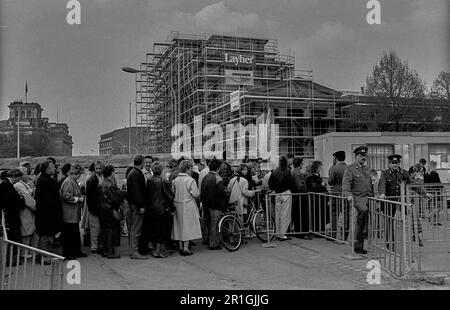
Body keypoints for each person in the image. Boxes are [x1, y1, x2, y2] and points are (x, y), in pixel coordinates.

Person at [342, 146, 372, 254]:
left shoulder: (366, 169)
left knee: (370, 221)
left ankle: (364, 242)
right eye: (361, 156)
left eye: (365, 156)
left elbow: (370, 184)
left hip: (369, 197)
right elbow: (346, 185)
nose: (363, 158)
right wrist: (348, 195)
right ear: (356, 156)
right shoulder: (350, 169)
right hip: (358, 198)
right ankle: (357, 245)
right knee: (362, 214)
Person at [143, 162, 174, 258]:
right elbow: (169, 195)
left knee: (156, 230)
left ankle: (158, 250)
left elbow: (148, 195)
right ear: (161, 170)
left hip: (152, 208)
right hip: (162, 208)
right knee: (162, 230)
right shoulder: (164, 180)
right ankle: (159, 251)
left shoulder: (149, 180)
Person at [172, 160, 202, 255]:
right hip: (187, 204)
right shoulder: (190, 180)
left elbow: (173, 192)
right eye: (191, 168)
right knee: (187, 227)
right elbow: (196, 194)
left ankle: (181, 247)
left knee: (179, 226)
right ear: (188, 168)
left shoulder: (175, 180)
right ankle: (185, 248)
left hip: (177, 204)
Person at [35, 160, 62, 259]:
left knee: (47, 235)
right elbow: (48, 200)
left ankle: (43, 255)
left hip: (47, 213)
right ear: (47, 169)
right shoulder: (44, 181)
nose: (55, 168)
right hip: (47, 215)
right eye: (52, 167)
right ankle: (46, 257)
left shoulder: (46, 179)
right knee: (46, 237)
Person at [60, 164, 87, 260]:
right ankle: (69, 253)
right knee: (69, 235)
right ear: (77, 174)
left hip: (72, 214)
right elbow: (67, 197)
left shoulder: (71, 181)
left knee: (74, 234)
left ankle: (75, 251)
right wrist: (79, 199)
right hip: (69, 213)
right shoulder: (69, 182)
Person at [98, 165, 123, 258]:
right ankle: (111, 252)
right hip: (111, 209)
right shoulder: (111, 184)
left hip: (103, 209)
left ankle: (104, 250)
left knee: (105, 230)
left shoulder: (101, 183)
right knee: (112, 231)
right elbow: (116, 198)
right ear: (111, 173)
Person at [268, 156, 295, 241]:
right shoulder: (287, 172)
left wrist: (275, 189)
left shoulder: (275, 171)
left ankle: (277, 233)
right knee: (285, 215)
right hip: (286, 193)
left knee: (278, 214)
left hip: (277, 194)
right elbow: (291, 183)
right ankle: (283, 234)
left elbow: (270, 183)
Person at [126, 155, 148, 259]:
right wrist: (141, 205)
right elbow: (137, 192)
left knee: (134, 228)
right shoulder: (136, 174)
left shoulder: (132, 172)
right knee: (135, 229)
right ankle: (134, 252)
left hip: (133, 204)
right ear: (142, 162)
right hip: (136, 205)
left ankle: (133, 251)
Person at [14, 166, 38, 252]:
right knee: (26, 233)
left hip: (28, 212)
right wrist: (35, 206)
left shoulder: (22, 184)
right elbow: (28, 198)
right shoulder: (19, 185)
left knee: (29, 231)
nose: (27, 175)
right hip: (25, 212)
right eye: (26, 173)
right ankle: (24, 253)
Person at [0, 168, 25, 244]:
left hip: (9, 216)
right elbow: (15, 201)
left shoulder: (6, 184)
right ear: (15, 177)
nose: (19, 180)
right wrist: (21, 198)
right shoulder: (6, 185)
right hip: (11, 217)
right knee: (14, 238)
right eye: (19, 177)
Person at [328, 151, 349, 240]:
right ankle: (345, 234)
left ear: (336, 158)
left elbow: (330, 181)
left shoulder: (334, 168)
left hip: (336, 192)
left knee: (334, 213)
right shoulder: (349, 168)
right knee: (346, 213)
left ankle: (333, 234)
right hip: (346, 193)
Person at [85, 161, 104, 254]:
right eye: (97, 168)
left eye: (100, 168)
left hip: (101, 207)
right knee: (94, 228)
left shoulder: (103, 178)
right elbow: (89, 195)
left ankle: (99, 245)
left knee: (100, 228)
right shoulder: (91, 179)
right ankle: (94, 246)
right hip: (94, 207)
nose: (98, 170)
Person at [291, 157, 311, 239]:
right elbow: (301, 186)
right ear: (300, 164)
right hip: (300, 197)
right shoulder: (298, 174)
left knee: (296, 215)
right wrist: (305, 192)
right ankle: (302, 233)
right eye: (302, 163)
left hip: (295, 196)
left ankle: (298, 231)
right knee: (302, 215)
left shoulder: (293, 172)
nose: (303, 164)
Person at [306, 161, 328, 234]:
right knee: (317, 216)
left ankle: (320, 230)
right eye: (320, 167)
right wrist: (322, 185)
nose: (321, 168)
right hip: (316, 200)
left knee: (321, 216)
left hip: (320, 199)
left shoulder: (317, 176)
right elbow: (314, 188)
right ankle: (318, 230)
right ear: (317, 168)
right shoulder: (311, 177)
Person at [424, 161, 443, 226]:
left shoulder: (426, 174)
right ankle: (431, 217)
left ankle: (432, 220)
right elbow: (439, 183)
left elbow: (425, 183)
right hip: (436, 192)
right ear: (434, 166)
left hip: (428, 192)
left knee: (431, 206)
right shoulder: (435, 174)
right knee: (439, 207)